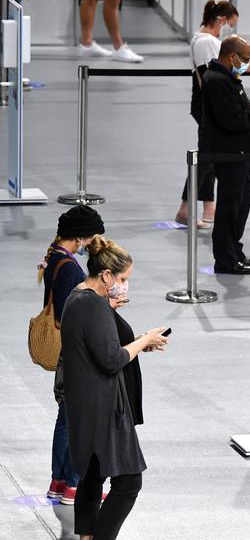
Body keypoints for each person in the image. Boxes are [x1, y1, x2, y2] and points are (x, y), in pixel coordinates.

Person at [60, 236, 169, 540]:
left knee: (92, 475)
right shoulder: (92, 305)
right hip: (104, 407)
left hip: (85, 403)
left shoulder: (78, 297)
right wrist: (144, 340)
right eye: (122, 278)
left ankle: (85, 535)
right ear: (106, 275)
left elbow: (102, 345)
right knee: (129, 482)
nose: (125, 285)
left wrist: (137, 343)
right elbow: (111, 359)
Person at [37, 206, 106, 507]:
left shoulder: (54, 255)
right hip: (76, 354)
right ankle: (74, 486)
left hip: (67, 352)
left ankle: (59, 482)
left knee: (65, 418)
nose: (92, 242)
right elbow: (74, 313)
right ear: (80, 236)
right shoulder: (70, 269)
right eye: (90, 237)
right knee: (78, 420)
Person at [198, 35, 250, 274]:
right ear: (231, 56)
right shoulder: (218, 81)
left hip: (238, 154)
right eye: (244, 58)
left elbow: (235, 111)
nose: (247, 62)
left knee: (240, 202)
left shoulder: (227, 78)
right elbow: (232, 120)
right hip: (230, 154)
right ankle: (226, 259)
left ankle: (234, 251)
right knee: (230, 207)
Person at [175, 0, 244, 229]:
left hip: (208, 103)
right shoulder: (207, 42)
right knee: (206, 157)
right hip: (208, 105)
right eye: (230, 26)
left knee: (212, 154)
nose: (230, 31)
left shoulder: (204, 39)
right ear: (222, 20)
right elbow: (212, 76)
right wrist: (242, 69)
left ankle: (208, 206)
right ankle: (186, 209)